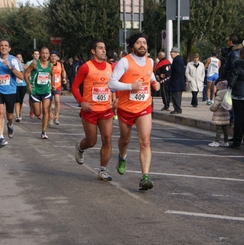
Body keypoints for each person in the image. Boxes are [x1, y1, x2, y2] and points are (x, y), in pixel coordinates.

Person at [108, 32, 160, 190]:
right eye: (139, 43)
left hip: (144, 107)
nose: (142, 45)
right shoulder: (125, 62)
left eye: (144, 42)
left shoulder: (150, 61)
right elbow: (111, 84)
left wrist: (155, 83)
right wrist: (131, 86)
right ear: (132, 46)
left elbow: (150, 76)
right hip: (126, 108)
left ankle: (145, 177)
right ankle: (122, 157)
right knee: (125, 140)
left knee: (145, 141)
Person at [72, 39, 114, 181]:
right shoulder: (86, 67)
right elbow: (74, 87)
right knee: (91, 141)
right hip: (90, 109)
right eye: (100, 48)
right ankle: (80, 148)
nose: (104, 50)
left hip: (106, 109)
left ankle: (102, 170)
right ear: (93, 51)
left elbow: (115, 85)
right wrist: (82, 102)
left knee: (107, 139)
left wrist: (117, 98)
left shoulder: (110, 67)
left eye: (104, 48)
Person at [0, 39, 24, 148]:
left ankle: (10, 125)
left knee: (10, 115)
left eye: (6, 45)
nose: (4, 47)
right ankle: (1, 137)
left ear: (9, 48)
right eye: (1, 46)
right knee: (0, 112)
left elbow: (21, 76)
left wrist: (10, 67)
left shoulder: (14, 60)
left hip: (11, 91)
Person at [24, 47, 54, 139]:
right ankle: (33, 109)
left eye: (46, 53)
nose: (45, 55)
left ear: (48, 55)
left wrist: (52, 84)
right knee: (38, 113)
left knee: (45, 110)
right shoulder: (34, 64)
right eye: (43, 53)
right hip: (36, 91)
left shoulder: (51, 65)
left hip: (46, 90)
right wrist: (28, 84)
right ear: (40, 54)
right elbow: (25, 73)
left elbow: (52, 74)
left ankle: (43, 132)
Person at [208, 80, 230, 147]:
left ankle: (216, 141)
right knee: (225, 130)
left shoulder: (219, 96)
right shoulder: (227, 96)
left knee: (219, 130)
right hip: (226, 115)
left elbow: (215, 106)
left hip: (219, 116)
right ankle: (226, 141)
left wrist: (211, 108)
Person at [48, 50, 67, 125]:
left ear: (57, 57)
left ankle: (56, 117)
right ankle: (50, 116)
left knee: (57, 100)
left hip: (57, 85)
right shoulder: (47, 64)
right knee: (49, 103)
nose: (53, 57)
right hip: (49, 86)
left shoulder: (60, 64)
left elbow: (63, 71)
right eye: (52, 56)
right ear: (50, 57)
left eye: (54, 56)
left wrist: (64, 78)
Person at [167, 47, 186, 114]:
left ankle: (177, 109)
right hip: (178, 82)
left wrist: (173, 79)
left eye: (172, 53)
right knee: (177, 96)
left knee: (176, 96)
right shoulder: (179, 59)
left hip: (176, 82)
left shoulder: (176, 60)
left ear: (175, 53)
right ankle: (177, 108)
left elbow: (177, 71)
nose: (170, 54)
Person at [26, 49, 40, 118]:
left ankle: (38, 112)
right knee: (31, 98)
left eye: (37, 54)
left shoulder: (41, 62)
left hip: (40, 83)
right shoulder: (29, 63)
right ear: (32, 55)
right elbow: (26, 73)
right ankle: (31, 109)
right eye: (35, 54)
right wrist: (28, 83)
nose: (36, 55)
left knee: (40, 97)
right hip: (31, 83)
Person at [14, 53, 27, 122]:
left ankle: (19, 112)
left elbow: (28, 75)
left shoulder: (24, 66)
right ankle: (17, 116)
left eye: (20, 57)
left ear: (22, 59)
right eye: (17, 57)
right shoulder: (13, 66)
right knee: (17, 100)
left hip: (23, 85)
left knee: (21, 101)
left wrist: (26, 70)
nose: (19, 59)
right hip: (15, 85)